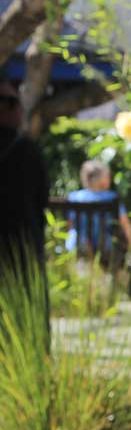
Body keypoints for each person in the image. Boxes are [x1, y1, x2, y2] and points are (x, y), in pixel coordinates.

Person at [0, 77, 49, 282]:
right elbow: (41, 197)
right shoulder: (26, 151)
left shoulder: (27, 149)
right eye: (13, 103)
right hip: (22, 248)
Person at [67, 160, 131, 290]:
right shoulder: (111, 198)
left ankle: (85, 289)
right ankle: (113, 290)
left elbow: (70, 225)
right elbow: (125, 224)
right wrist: (130, 241)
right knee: (116, 256)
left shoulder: (75, 197)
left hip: (78, 244)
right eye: (108, 176)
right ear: (101, 180)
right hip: (104, 246)